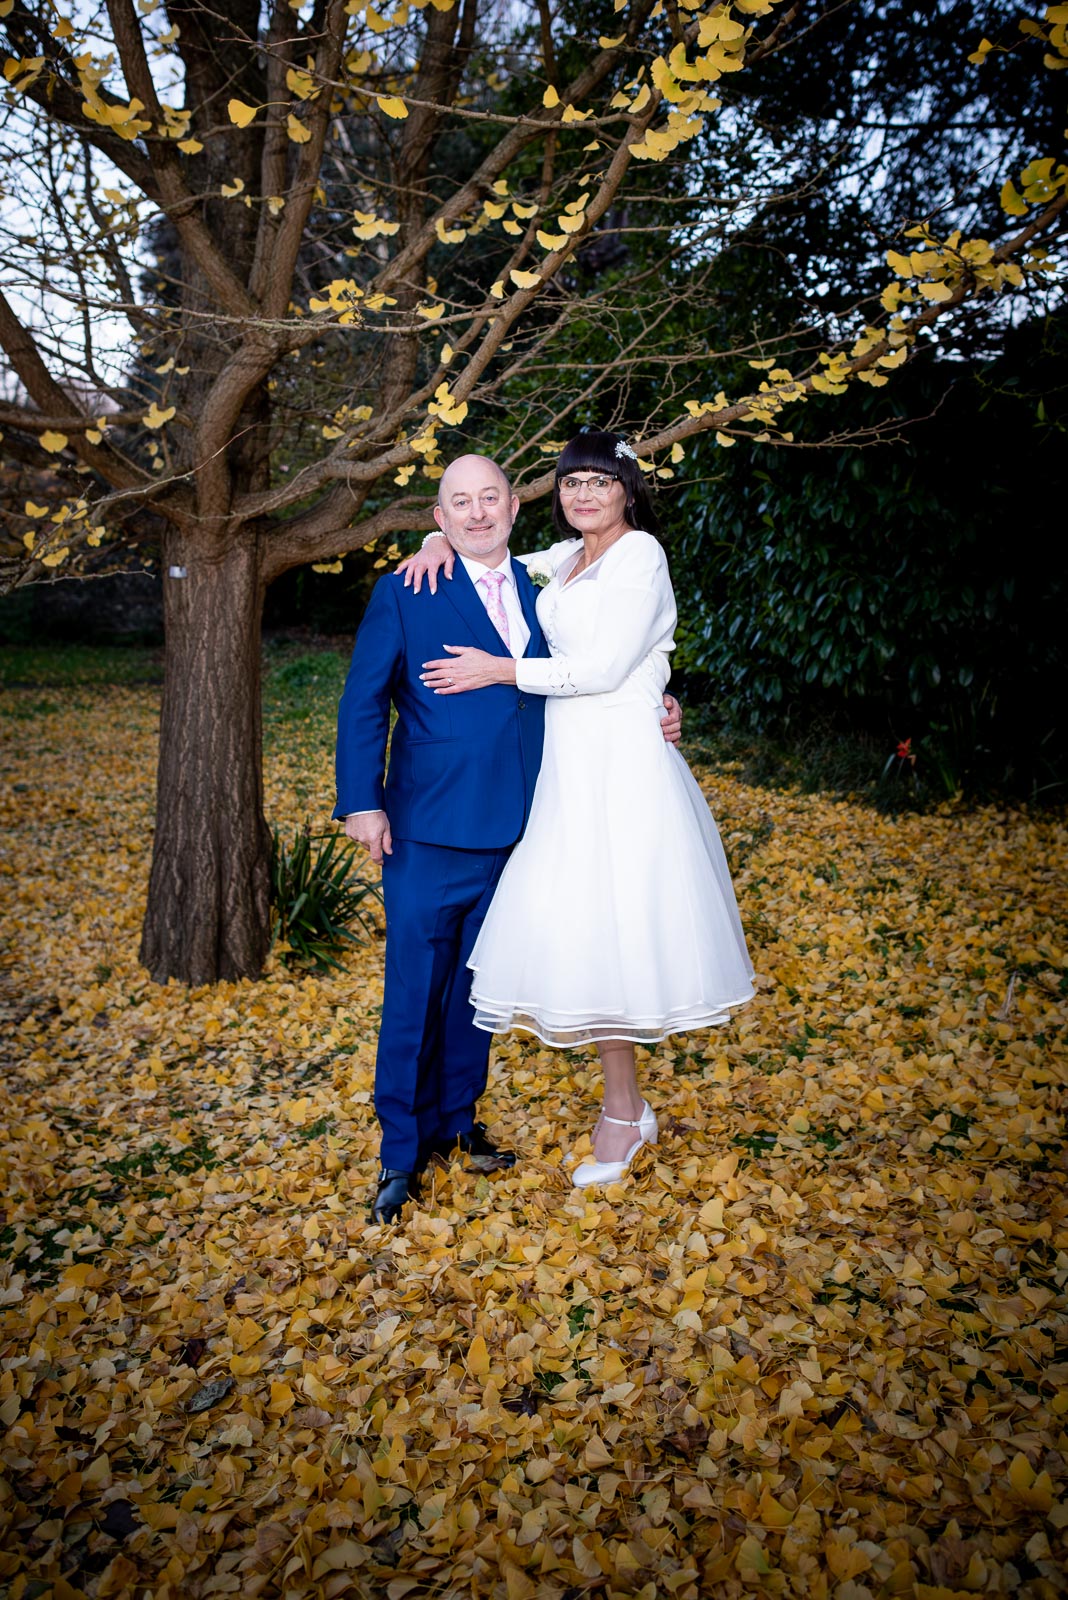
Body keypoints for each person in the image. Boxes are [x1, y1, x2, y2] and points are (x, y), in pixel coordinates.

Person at [332, 453, 681, 1222]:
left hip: (531, 825)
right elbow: (362, 703)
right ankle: (400, 1153)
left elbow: (605, 660)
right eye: (460, 502)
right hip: (428, 827)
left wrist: (658, 701)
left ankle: (459, 1123)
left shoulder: (545, 584)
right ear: (440, 517)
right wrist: (363, 803)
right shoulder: (406, 589)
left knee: (476, 991)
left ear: (515, 509)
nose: (478, 512)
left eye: (491, 497)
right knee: (414, 993)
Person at [411, 432, 755, 1188]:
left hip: (621, 765)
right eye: (572, 484)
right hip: (569, 770)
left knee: (619, 935)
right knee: (592, 937)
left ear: (628, 490)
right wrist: (442, 533)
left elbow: (601, 668)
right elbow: (492, 552)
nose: (585, 496)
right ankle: (628, 1107)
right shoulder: (566, 560)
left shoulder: (640, 555)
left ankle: (624, 1114)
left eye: (601, 482)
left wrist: (497, 669)